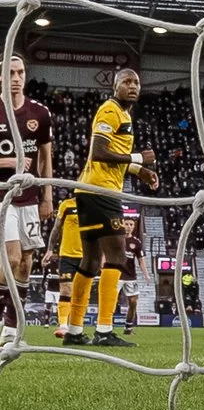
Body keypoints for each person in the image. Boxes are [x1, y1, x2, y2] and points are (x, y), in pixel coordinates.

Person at [65, 68, 154, 348]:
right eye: (126, 82)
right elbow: (99, 152)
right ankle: (104, 330)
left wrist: (138, 170)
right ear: (115, 86)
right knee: (117, 256)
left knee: (90, 262)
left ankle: (74, 330)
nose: (132, 86)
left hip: (88, 190)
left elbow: (114, 157)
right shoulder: (110, 110)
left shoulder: (124, 115)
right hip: (101, 190)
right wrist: (139, 156)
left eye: (136, 82)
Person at [3, 55, 55, 348]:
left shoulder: (40, 113)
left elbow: (46, 158)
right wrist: (9, 160)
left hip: (31, 197)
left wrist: (47, 195)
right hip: (2, 197)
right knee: (10, 258)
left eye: (20, 72)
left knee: (25, 262)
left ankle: (11, 327)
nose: (16, 77)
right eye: (10, 72)